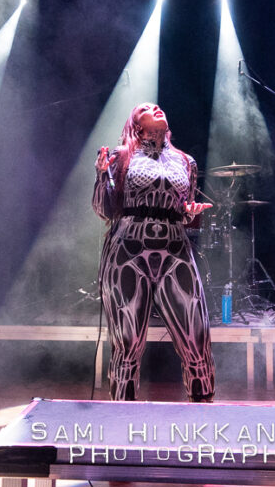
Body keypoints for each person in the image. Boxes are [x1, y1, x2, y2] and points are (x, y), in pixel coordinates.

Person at [92, 103, 215, 402]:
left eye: (158, 107)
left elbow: (184, 211)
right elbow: (103, 209)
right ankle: (123, 418)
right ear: (136, 124)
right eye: (146, 109)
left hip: (175, 249)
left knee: (197, 339)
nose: (156, 108)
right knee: (128, 344)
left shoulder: (186, 162)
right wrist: (101, 176)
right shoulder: (121, 156)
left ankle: (205, 414)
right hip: (129, 251)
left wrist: (190, 213)